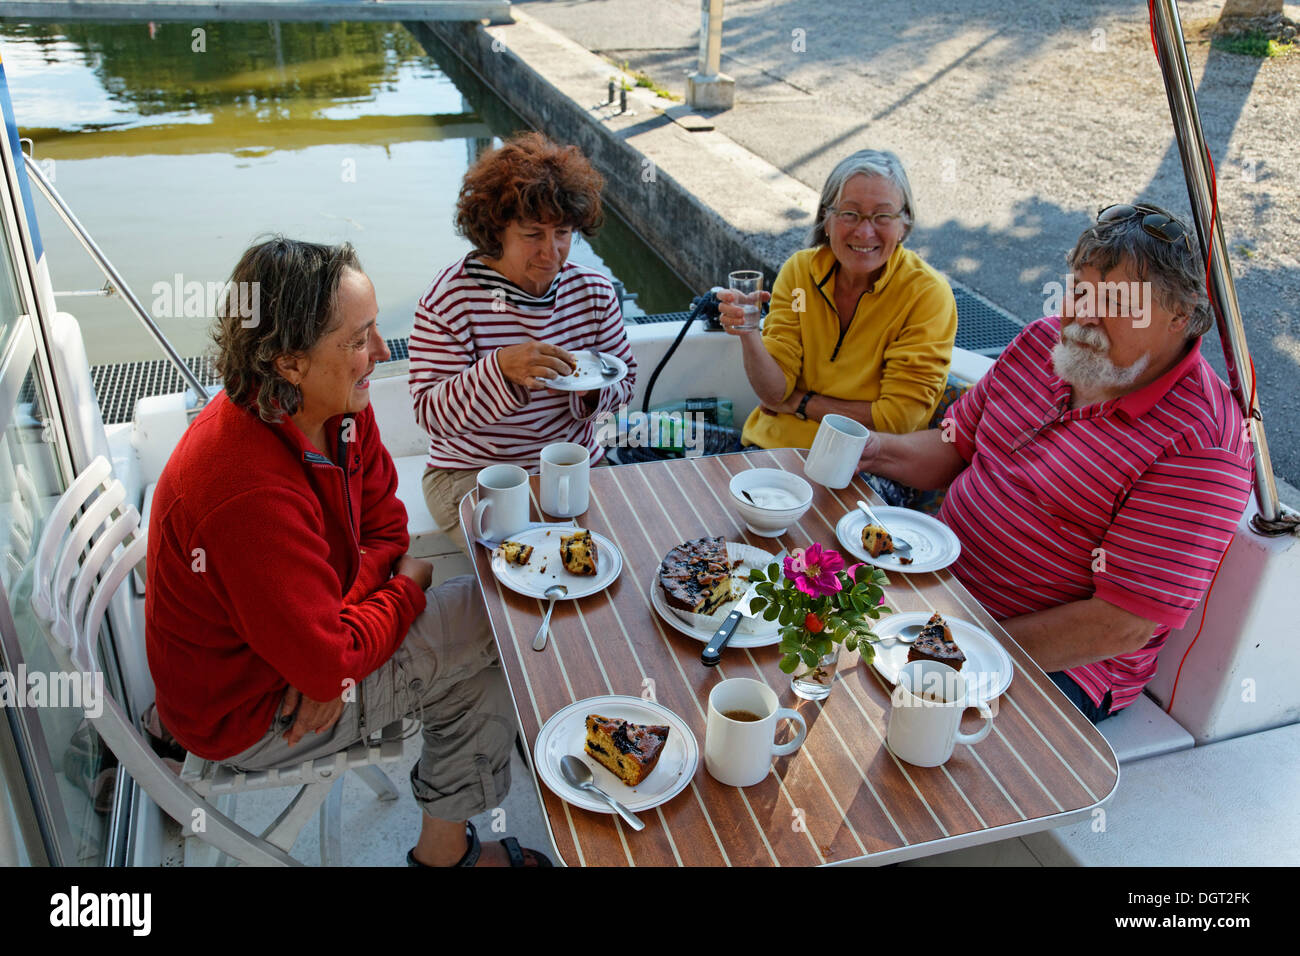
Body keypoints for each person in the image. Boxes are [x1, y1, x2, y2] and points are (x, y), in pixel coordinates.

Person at [145, 237, 550, 866]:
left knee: (470, 654)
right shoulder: (244, 490)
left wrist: (335, 644)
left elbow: (387, 525)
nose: (383, 355)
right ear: (289, 362)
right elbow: (334, 652)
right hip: (256, 716)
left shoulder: (335, 412)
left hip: (287, 660)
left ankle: (447, 846)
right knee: (497, 626)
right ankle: (447, 856)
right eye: (359, 340)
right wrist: (400, 592)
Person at [856, 202, 1255, 722]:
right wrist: (872, 450)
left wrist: (954, 648)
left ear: (1180, 316)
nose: (1084, 315)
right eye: (1080, 288)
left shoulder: (1202, 444)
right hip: (939, 593)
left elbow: (1118, 625)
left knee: (882, 733)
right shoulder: (1042, 342)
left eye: (1116, 302)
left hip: (1054, 665)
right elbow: (953, 447)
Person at [410, 132, 636, 554]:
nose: (551, 253)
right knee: (527, 569)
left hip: (571, 462)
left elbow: (624, 383)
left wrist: (590, 392)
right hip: (472, 472)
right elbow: (429, 414)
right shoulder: (450, 300)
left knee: (615, 559)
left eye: (563, 233)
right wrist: (499, 370)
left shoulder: (593, 292)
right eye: (533, 234)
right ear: (496, 231)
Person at [717, 149, 956, 454]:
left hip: (861, 464)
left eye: (882, 216)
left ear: (904, 224)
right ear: (826, 221)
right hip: (768, 449)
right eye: (849, 214)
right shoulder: (800, 275)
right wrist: (749, 334)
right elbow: (774, 391)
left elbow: (898, 420)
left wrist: (800, 403)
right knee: (644, 438)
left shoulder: (926, 294)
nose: (865, 231)